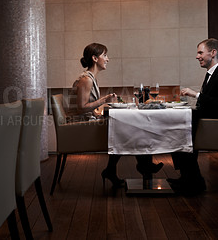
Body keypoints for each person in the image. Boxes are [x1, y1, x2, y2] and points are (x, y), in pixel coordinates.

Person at [69, 43, 163, 187]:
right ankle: (143, 166)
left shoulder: (90, 78)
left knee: (127, 127)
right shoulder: (86, 80)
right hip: (82, 127)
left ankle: (116, 170)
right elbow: (81, 108)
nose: (107, 59)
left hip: (88, 121)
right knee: (128, 128)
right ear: (95, 58)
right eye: (104, 55)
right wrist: (103, 100)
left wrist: (102, 105)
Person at [168, 38, 218, 194]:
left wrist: (196, 95)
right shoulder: (212, 75)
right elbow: (211, 103)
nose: (197, 56)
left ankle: (193, 180)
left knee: (182, 124)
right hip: (210, 121)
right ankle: (188, 177)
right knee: (178, 121)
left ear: (213, 53)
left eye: (200, 52)